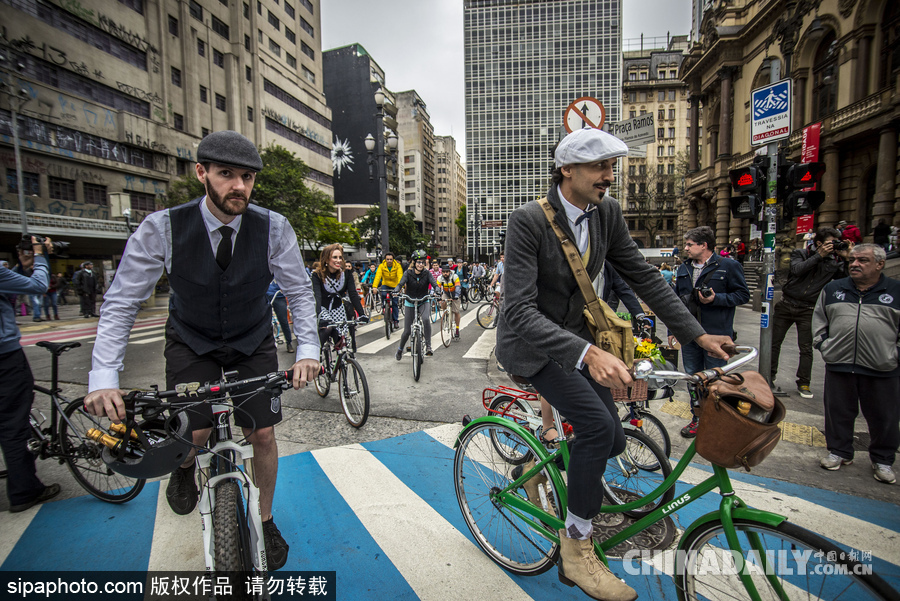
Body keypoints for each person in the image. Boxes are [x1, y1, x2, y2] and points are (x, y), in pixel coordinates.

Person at [497, 127, 733, 601]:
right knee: (598, 431)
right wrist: (587, 353)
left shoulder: (606, 213)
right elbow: (518, 310)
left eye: (612, 167)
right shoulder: (528, 221)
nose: (610, 176)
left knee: (611, 438)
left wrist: (695, 333)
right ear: (567, 170)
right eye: (600, 167)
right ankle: (576, 548)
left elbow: (642, 275)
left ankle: (552, 472)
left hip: (583, 341)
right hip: (534, 348)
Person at [83, 130, 320, 571]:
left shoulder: (274, 227)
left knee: (264, 434)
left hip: (252, 340)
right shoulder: (162, 228)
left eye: (247, 177)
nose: (239, 187)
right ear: (201, 173)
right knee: (191, 432)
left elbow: (300, 293)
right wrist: (103, 379)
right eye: (226, 174)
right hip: (192, 341)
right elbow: (121, 302)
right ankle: (185, 464)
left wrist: (307, 349)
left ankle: (265, 520)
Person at [813, 244, 899, 484]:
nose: (854, 264)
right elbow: (819, 319)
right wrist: (824, 345)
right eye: (852, 260)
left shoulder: (896, 291)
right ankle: (839, 451)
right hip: (840, 363)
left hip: (881, 367)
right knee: (838, 411)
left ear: (879, 264)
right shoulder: (833, 289)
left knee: (884, 416)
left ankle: (882, 459)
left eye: (862, 260)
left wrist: (894, 354)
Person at [669, 225, 750, 438]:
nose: (685, 248)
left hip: (717, 334)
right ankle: (697, 418)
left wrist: (717, 299)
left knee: (715, 380)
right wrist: (672, 329)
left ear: (704, 245)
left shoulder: (728, 266)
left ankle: (716, 420)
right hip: (689, 335)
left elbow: (743, 295)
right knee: (693, 378)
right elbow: (675, 303)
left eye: (689, 244)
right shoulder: (683, 268)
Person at [1, 236, 61, 512]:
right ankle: (24, 490)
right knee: (13, 422)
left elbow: (9, 288)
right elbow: (38, 286)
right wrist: (38, 257)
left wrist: (21, 267)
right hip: (5, 356)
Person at [770, 227, 850, 399]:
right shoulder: (801, 253)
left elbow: (846, 280)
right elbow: (797, 270)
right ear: (819, 243)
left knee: (806, 348)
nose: (833, 246)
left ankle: (804, 382)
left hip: (808, 309)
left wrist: (848, 259)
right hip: (786, 304)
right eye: (830, 243)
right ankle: (769, 377)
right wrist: (818, 256)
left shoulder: (835, 261)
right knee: (774, 343)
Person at [311, 244, 367, 351]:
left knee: (340, 343)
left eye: (340, 257)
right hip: (322, 309)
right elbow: (316, 297)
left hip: (338, 310)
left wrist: (362, 314)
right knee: (327, 329)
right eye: (334, 257)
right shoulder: (317, 275)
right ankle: (317, 357)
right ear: (326, 259)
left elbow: (353, 295)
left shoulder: (346, 274)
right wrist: (319, 317)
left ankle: (342, 363)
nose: (338, 260)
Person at [392, 250, 438, 359]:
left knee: (426, 319)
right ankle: (400, 350)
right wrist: (396, 290)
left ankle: (428, 346)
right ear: (414, 262)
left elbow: (434, 284)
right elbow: (400, 284)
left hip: (423, 300)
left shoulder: (427, 273)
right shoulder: (408, 273)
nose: (421, 264)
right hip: (410, 301)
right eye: (418, 262)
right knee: (407, 330)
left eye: (423, 262)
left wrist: (438, 290)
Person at [372, 252, 403, 328]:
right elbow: (378, 276)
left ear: (393, 260)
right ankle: (384, 306)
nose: (389, 261)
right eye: (387, 259)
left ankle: (396, 321)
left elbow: (400, 276)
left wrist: (400, 287)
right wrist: (375, 286)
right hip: (385, 284)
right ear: (385, 260)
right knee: (383, 294)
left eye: (391, 259)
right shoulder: (381, 266)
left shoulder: (398, 266)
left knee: (395, 303)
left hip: (395, 285)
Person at [266, 280, 295, 353]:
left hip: (278, 296)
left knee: (283, 320)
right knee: (264, 321)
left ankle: (289, 343)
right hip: (265, 297)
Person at [437, 263, 462, 340]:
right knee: (442, 302)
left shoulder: (455, 277)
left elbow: (458, 286)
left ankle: (457, 329)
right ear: (442, 272)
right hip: (446, 293)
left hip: (455, 294)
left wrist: (456, 296)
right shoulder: (440, 278)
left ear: (449, 272)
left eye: (447, 272)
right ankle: (446, 314)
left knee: (456, 311)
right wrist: (438, 296)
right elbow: (437, 288)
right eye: (444, 272)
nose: (445, 274)